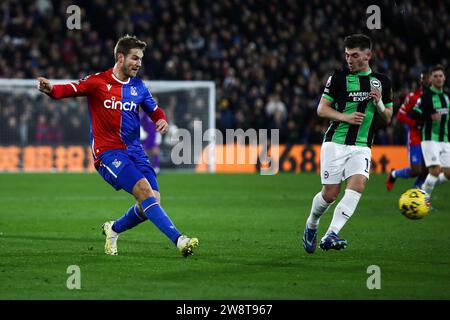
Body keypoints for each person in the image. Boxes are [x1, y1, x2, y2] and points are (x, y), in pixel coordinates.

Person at [37, 35, 198, 257]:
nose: (139, 63)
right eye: (134, 58)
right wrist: (51, 90)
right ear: (120, 58)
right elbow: (72, 88)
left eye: (141, 59)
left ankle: (113, 229)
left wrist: (160, 119)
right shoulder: (98, 82)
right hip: (108, 153)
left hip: (135, 151)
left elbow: (154, 109)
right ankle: (180, 240)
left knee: (152, 201)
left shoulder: (139, 86)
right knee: (143, 190)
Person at [302, 34, 393, 253]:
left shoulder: (382, 81)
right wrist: (345, 117)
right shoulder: (338, 78)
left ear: (368, 55)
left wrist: (379, 102)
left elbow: (388, 117)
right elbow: (321, 109)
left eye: (354, 55)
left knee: (359, 184)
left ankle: (331, 233)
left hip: (362, 145)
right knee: (330, 194)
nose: (349, 60)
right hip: (335, 142)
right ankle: (311, 224)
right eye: (346, 55)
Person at [385, 70, 430, 191]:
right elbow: (400, 115)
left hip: (430, 137)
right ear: (421, 80)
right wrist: (414, 123)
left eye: (429, 78)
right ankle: (394, 174)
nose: (427, 80)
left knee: (428, 170)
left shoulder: (436, 97)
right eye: (424, 78)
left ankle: (417, 196)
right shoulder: (413, 97)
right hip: (415, 137)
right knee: (416, 170)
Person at [411, 65, 450, 199]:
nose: (439, 78)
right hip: (429, 139)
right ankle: (422, 201)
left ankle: (421, 189)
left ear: (444, 78)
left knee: (448, 173)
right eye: (435, 76)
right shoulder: (426, 96)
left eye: (441, 76)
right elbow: (414, 114)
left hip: (444, 140)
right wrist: (429, 117)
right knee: (434, 171)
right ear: (431, 79)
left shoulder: (447, 97)